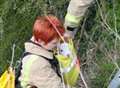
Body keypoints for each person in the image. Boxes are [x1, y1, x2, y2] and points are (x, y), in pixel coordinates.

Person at [18, 15, 65, 88]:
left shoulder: (37, 40)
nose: (58, 45)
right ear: (41, 41)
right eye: (54, 43)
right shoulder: (38, 64)